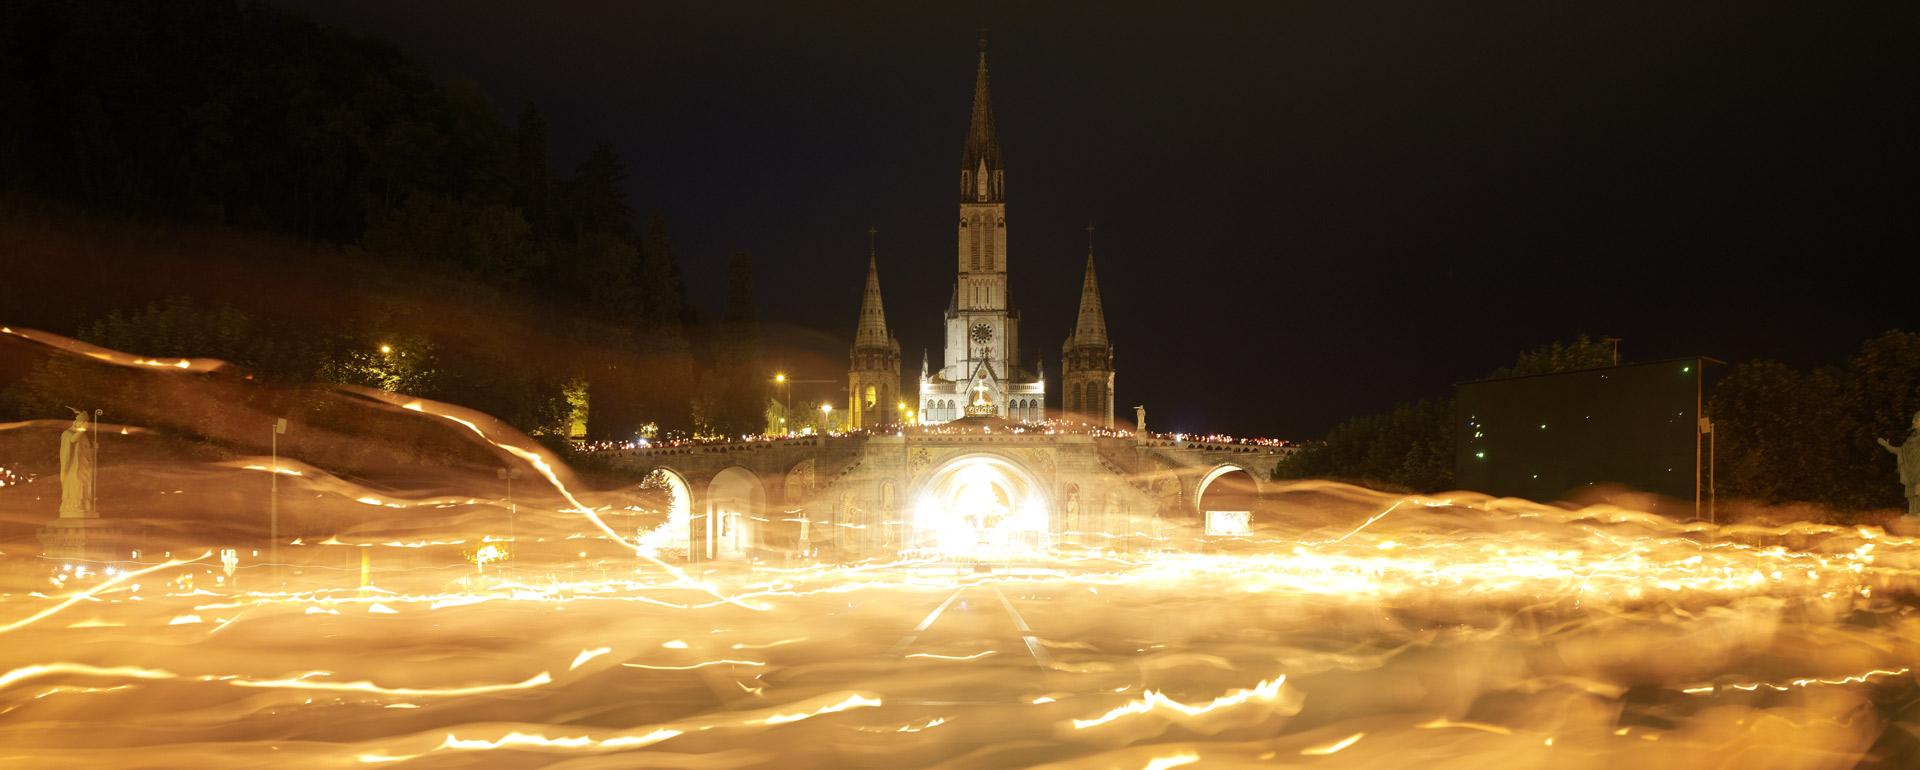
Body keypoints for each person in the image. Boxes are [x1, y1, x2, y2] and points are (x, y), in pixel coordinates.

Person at [1878, 411, 1920, 515]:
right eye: (1913, 419)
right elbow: (1901, 451)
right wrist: (1887, 446)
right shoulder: (1911, 439)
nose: (1913, 422)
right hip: (1911, 470)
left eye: (1916, 420)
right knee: (1912, 493)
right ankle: (1913, 513)